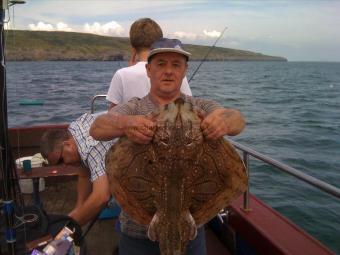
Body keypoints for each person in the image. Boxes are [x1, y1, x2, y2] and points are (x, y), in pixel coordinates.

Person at [90, 38, 246, 255]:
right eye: (161, 64)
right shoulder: (134, 107)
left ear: (184, 71)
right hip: (136, 232)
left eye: (176, 65)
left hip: (191, 226)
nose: (168, 71)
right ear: (148, 70)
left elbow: (237, 120)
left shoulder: (201, 106)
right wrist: (126, 123)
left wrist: (224, 121)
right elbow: (97, 128)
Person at [40, 113, 113, 226]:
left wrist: (73, 225)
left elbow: (102, 197)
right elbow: (84, 174)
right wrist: (79, 208)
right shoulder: (74, 127)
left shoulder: (91, 149)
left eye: (61, 160)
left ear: (68, 144)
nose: (64, 165)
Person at [106, 18, 191, 110]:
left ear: (133, 49)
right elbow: (189, 105)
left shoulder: (121, 75)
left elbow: (112, 113)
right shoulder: (177, 74)